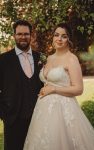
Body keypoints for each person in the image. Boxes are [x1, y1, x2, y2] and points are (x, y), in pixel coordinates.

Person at [24, 23, 94, 150]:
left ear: (69, 40)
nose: (59, 39)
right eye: (56, 35)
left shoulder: (71, 59)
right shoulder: (48, 58)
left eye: (64, 36)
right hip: (43, 110)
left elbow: (79, 89)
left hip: (63, 109)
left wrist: (54, 89)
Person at [0, 20, 43, 150]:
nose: (23, 37)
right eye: (19, 34)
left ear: (31, 35)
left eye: (26, 34)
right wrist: (3, 113)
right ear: (14, 36)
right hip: (13, 119)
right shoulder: (3, 60)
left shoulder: (40, 58)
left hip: (38, 118)